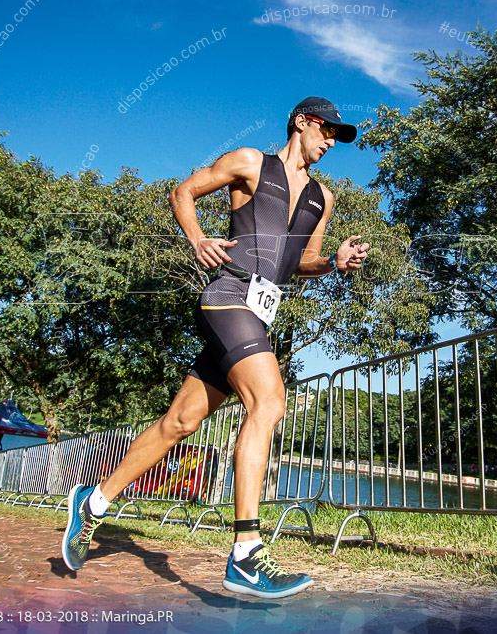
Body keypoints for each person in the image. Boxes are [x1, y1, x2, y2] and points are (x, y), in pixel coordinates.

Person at [61, 97, 370, 599]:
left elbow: (301, 263)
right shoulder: (250, 162)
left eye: (337, 136)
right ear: (300, 121)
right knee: (268, 402)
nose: (331, 141)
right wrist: (198, 238)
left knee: (180, 423)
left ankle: (92, 503)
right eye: (327, 130)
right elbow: (183, 190)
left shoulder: (323, 198)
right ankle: (247, 553)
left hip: (258, 313)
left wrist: (333, 263)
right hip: (227, 296)